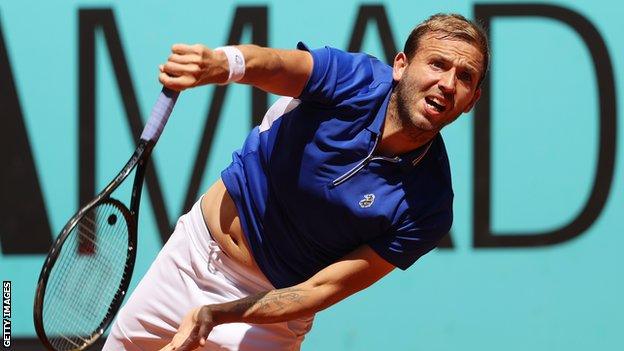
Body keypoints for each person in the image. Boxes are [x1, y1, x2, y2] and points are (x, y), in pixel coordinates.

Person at [102, 13, 489, 351]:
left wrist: (216, 315)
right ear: (401, 65)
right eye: (437, 64)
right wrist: (223, 63)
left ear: (472, 99)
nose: (448, 84)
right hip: (190, 260)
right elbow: (274, 65)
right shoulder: (353, 80)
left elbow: (320, 290)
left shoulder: (429, 207)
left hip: (267, 321)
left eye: (465, 77)